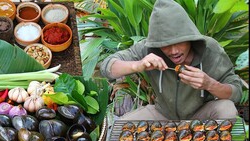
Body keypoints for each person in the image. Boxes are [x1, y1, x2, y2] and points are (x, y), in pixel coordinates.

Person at [100, 0, 243, 120]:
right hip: (163, 115)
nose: (174, 51)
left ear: (190, 38)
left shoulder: (210, 49)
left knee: (227, 109)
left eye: (180, 42)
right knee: (123, 125)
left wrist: (209, 84)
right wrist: (137, 65)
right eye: (166, 45)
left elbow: (236, 91)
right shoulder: (147, 48)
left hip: (200, 115)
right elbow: (107, 67)